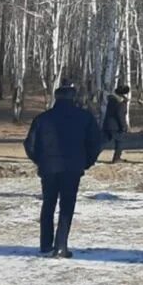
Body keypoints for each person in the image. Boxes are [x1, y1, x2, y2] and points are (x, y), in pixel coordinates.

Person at [23, 84, 102, 258]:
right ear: (73, 98)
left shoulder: (42, 118)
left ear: (56, 98)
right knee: (67, 206)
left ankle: (45, 244)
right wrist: (86, 162)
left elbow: (29, 145)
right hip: (72, 168)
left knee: (48, 204)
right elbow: (96, 143)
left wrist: (41, 161)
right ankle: (60, 246)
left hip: (49, 168)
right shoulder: (84, 118)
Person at [102, 84, 130, 163]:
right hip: (116, 126)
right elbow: (120, 115)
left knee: (102, 142)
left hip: (108, 124)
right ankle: (117, 158)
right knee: (119, 142)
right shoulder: (120, 102)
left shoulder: (112, 100)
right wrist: (123, 126)